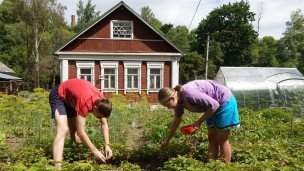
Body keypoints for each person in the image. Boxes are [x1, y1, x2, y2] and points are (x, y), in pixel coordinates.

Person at [158, 80, 240, 163]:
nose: (168, 108)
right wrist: (167, 140)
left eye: (167, 105)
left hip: (224, 101)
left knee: (222, 140)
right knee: (212, 138)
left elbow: (215, 105)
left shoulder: (189, 94)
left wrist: (199, 122)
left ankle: (225, 167)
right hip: (211, 108)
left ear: (172, 98)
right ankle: (211, 166)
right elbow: (176, 121)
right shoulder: (178, 103)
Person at [49, 78, 113, 168]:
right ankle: (57, 167)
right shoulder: (85, 102)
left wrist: (107, 145)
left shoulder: (102, 102)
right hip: (59, 95)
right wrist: (95, 151)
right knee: (63, 130)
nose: (99, 118)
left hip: (72, 99)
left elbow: (104, 124)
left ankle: (76, 156)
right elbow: (81, 132)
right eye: (98, 116)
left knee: (73, 131)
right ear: (95, 107)